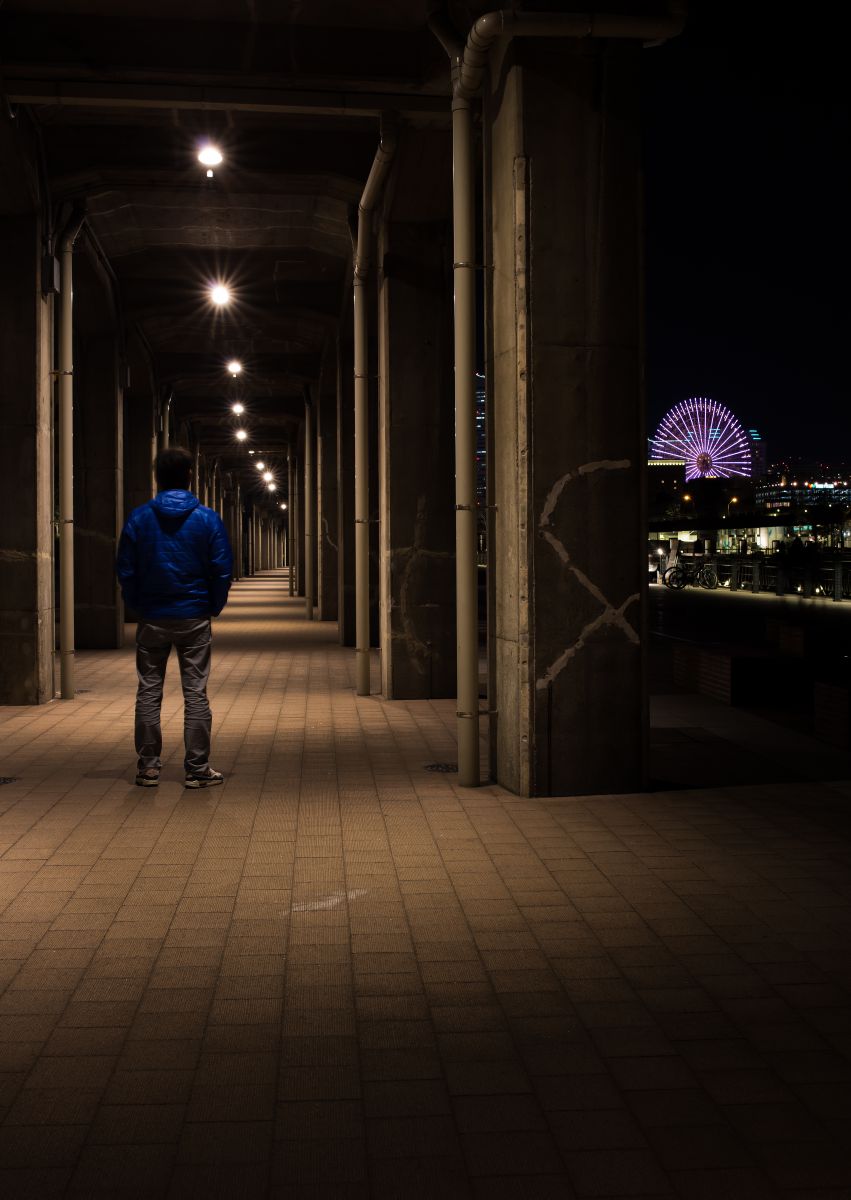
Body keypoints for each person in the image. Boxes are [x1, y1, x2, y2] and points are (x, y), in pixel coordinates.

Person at [116, 447, 233, 788]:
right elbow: (221, 567)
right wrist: (213, 604)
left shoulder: (139, 518)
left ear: (158, 478)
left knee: (148, 691)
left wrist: (138, 603)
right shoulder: (208, 519)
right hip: (193, 616)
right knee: (195, 691)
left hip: (152, 616)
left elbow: (126, 568)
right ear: (189, 476)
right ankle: (197, 768)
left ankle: (149, 767)